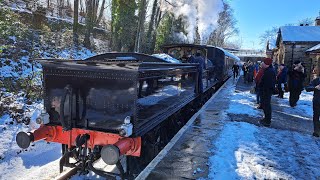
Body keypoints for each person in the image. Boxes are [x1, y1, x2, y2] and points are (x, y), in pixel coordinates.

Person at [258, 58, 276, 127]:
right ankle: (266, 119)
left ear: (267, 64)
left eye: (263, 63)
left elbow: (268, 84)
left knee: (267, 106)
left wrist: (263, 90)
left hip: (266, 92)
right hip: (266, 92)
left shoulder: (269, 72)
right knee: (266, 106)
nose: (262, 64)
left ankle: (267, 121)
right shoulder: (268, 70)